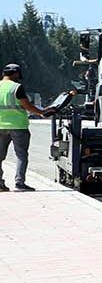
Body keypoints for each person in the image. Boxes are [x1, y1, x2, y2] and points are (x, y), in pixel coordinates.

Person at [1, 63, 49, 192]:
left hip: (0, 126)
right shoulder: (17, 88)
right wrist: (44, 112)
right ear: (15, 73)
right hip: (18, 126)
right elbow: (28, 106)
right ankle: (19, 183)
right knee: (21, 155)